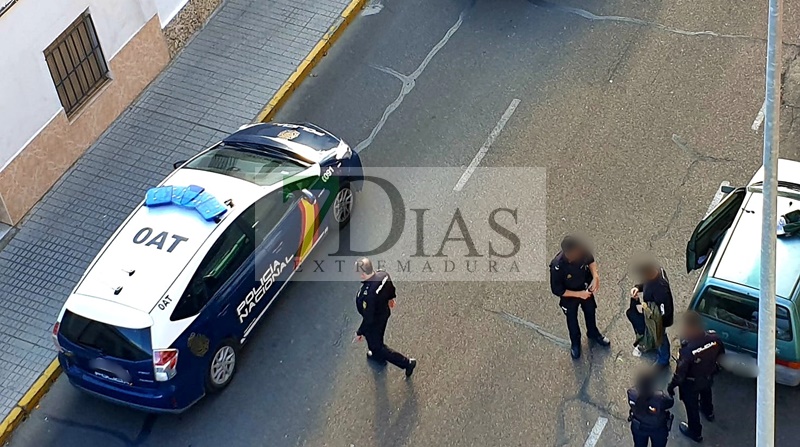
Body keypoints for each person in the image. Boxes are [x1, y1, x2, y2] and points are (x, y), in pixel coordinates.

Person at [549, 235, 610, 359]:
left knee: (590, 311)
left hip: (585, 287)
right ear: (567, 253)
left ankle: (593, 333)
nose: (578, 254)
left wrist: (595, 277)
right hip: (569, 296)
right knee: (572, 320)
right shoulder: (557, 266)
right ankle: (575, 343)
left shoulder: (581, 251)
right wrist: (579, 294)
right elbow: (557, 290)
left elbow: (591, 261)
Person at [667, 311, 725, 443]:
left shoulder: (687, 352)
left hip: (691, 384)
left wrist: (671, 386)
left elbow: (680, 375)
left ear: (689, 328)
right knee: (706, 393)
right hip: (707, 377)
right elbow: (721, 356)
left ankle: (695, 432)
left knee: (692, 408)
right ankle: (708, 412)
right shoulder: (714, 338)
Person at [354, 257, 417, 377]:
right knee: (375, 338)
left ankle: (406, 363)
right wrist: (391, 298)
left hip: (375, 320)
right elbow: (390, 288)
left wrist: (359, 332)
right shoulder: (383, 275)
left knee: (377, 346)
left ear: (362, 275)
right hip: (384, 312)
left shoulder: (367, 294)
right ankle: (377, 355)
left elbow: (369, 317)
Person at [629, 259, 675, 369]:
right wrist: (638, 287)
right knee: (654, 335)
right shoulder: (656, 272)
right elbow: (645, 283)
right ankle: (654, 344)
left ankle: (663, 359)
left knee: (660, 337)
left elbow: (665, 310)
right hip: (652, 315)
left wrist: (658, 324)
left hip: (659, 320)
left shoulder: (661, 289)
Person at [627, 368, 674, 447]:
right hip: (658, 428)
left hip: (638, 426)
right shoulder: (660, 398)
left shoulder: (632, 394)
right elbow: (670, 402)